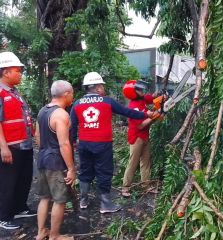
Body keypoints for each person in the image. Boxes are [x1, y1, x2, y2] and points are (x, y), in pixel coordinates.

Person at [70, 72, 154, 213]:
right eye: (102, 86)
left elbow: (72, 126)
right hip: (102, 144)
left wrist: (73, 142)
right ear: (97, 88)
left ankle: (83, 200)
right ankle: (105, 205)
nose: (103, 88)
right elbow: (127, 112)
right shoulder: (107, 101)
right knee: (104, 172)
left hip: (84, 145)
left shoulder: (77, 104)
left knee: (85, 171)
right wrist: (146, 114)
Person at [0, 51, 37, 230]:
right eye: (17, 70)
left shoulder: (15, 92)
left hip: (24, 144)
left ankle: (19, 208)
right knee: (8, 182)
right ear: (6, 72)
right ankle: (4, 216)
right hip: (11, 146)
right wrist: (3, 148)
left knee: (24, 178)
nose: (20, 73)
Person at [35, 80, 75, 240]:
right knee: (60, 200)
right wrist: (71, 168)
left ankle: (41, 232)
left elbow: (37, 136)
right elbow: (64, 143)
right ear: (66, 94)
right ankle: (54, 235)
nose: (72, 96)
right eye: (72, 93)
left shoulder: (42, 111)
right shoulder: (61, 114)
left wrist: (45, 150)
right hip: (56, 163)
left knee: (45, 197)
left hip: (42, 159)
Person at [121, 80, 160, 197]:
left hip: (145, 136)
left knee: (146, 162)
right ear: (133, 93)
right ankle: (125, 187)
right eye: (139, 89)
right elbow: (140, 125)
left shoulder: (142, 99)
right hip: (136, 137)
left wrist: (159, 95)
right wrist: (155, 115)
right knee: (133, 162)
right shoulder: (133, 107)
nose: (142, 91)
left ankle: (146, 186)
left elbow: (152, 98)